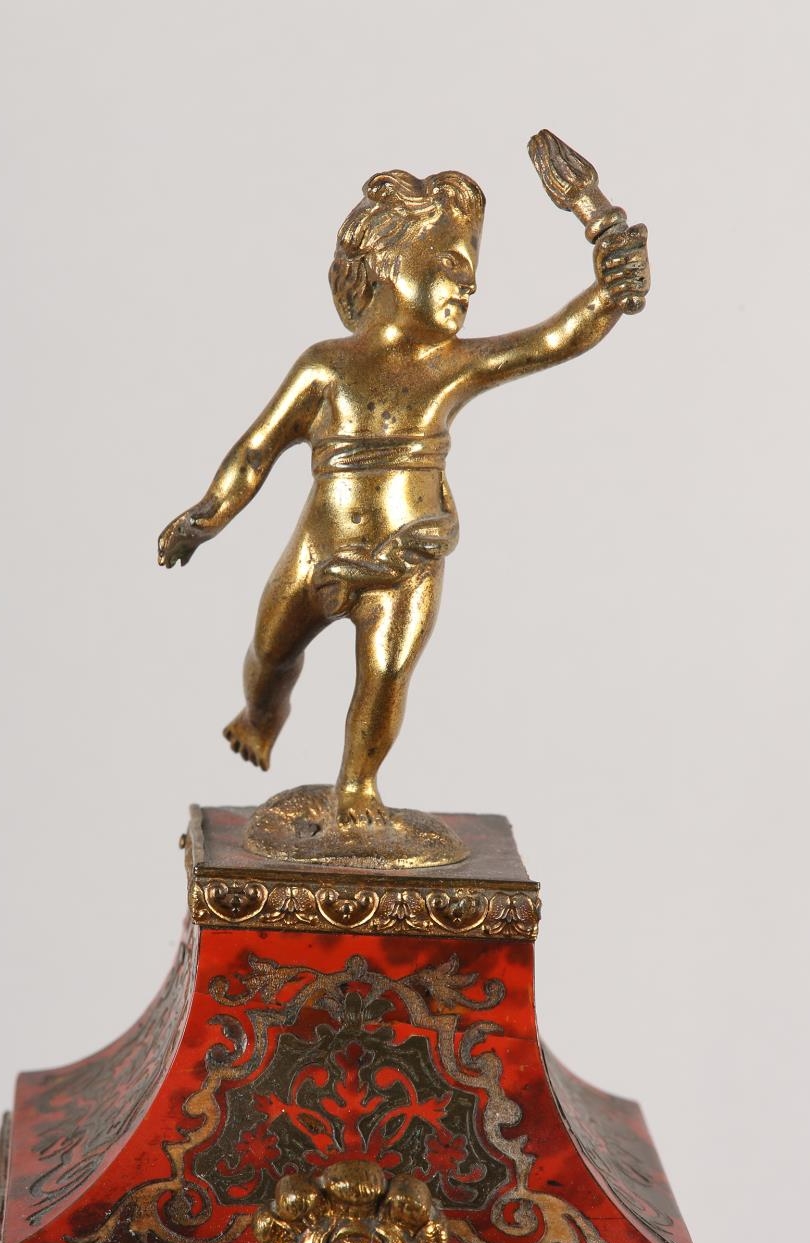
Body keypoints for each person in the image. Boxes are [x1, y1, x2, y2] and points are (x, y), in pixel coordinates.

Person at [159, 138, 649, 829]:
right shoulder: (326, 367)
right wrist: (207, 514)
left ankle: (358, 786)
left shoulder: (453, 366)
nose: (469, 285)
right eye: (452, 263)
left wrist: (609, 285)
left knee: (386, 674)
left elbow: (554, 338)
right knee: (269, 652)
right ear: (390, 258)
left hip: (407, 560)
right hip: (317, 555)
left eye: (473, 272)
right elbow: (255, 451)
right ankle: (261, 716)